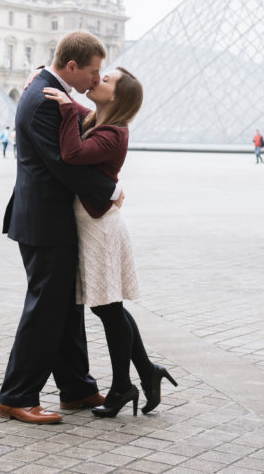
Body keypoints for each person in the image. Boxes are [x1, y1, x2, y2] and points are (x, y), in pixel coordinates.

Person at [0, 30, 122, 425]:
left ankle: (77, 388)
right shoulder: (45, 99)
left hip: (49, 217)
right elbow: (65, 164)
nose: (95, 80)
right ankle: (17, 396)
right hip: (44, 220)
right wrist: (112, 189)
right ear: (72, 66)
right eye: (93, 71)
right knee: (45, 310)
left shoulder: (49, 88)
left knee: (66, 307)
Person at [44, 66, 176, 418]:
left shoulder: (114, 133)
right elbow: (87, 115)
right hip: (95, 221)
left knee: (107, 308)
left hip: (100, 227)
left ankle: (123, 386)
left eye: (105, 80)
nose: (97, 79)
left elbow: (72, 154)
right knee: (108, 306)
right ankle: (145, 372)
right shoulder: (101, 120)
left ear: (115, 97)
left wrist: (68, 107)